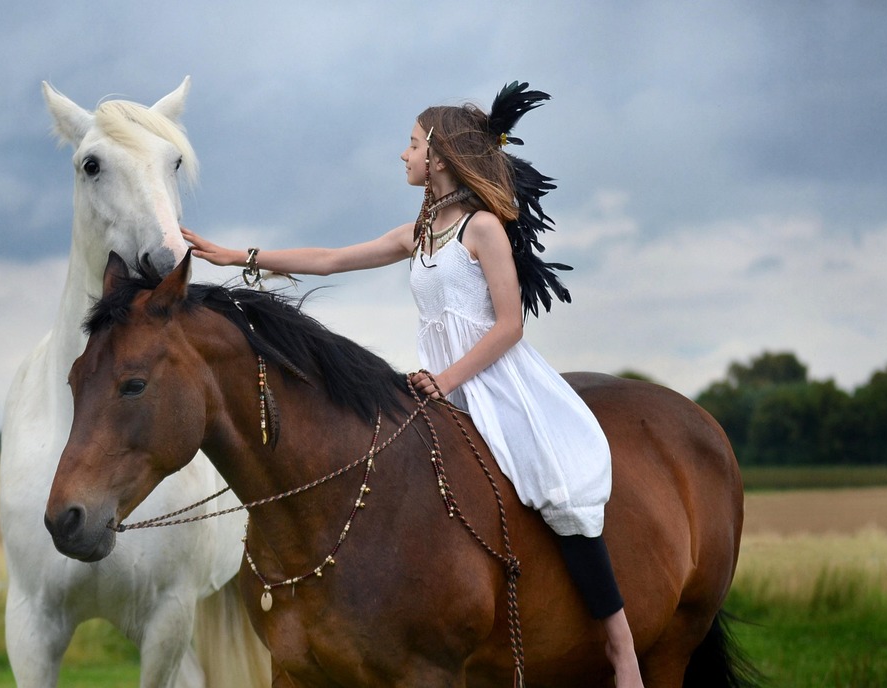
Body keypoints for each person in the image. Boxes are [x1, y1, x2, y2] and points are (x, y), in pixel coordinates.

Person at [182, 82, 644, 688]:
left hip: (494, 382)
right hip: (433, 387)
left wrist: (447, 379)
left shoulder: (483, 230)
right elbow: (330, 258)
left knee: (558, 488)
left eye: (412, 144)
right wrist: (237, 255)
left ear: (442, 157)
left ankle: (620, 649)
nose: (404, 155)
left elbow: (509, 326)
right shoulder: (419, 233)